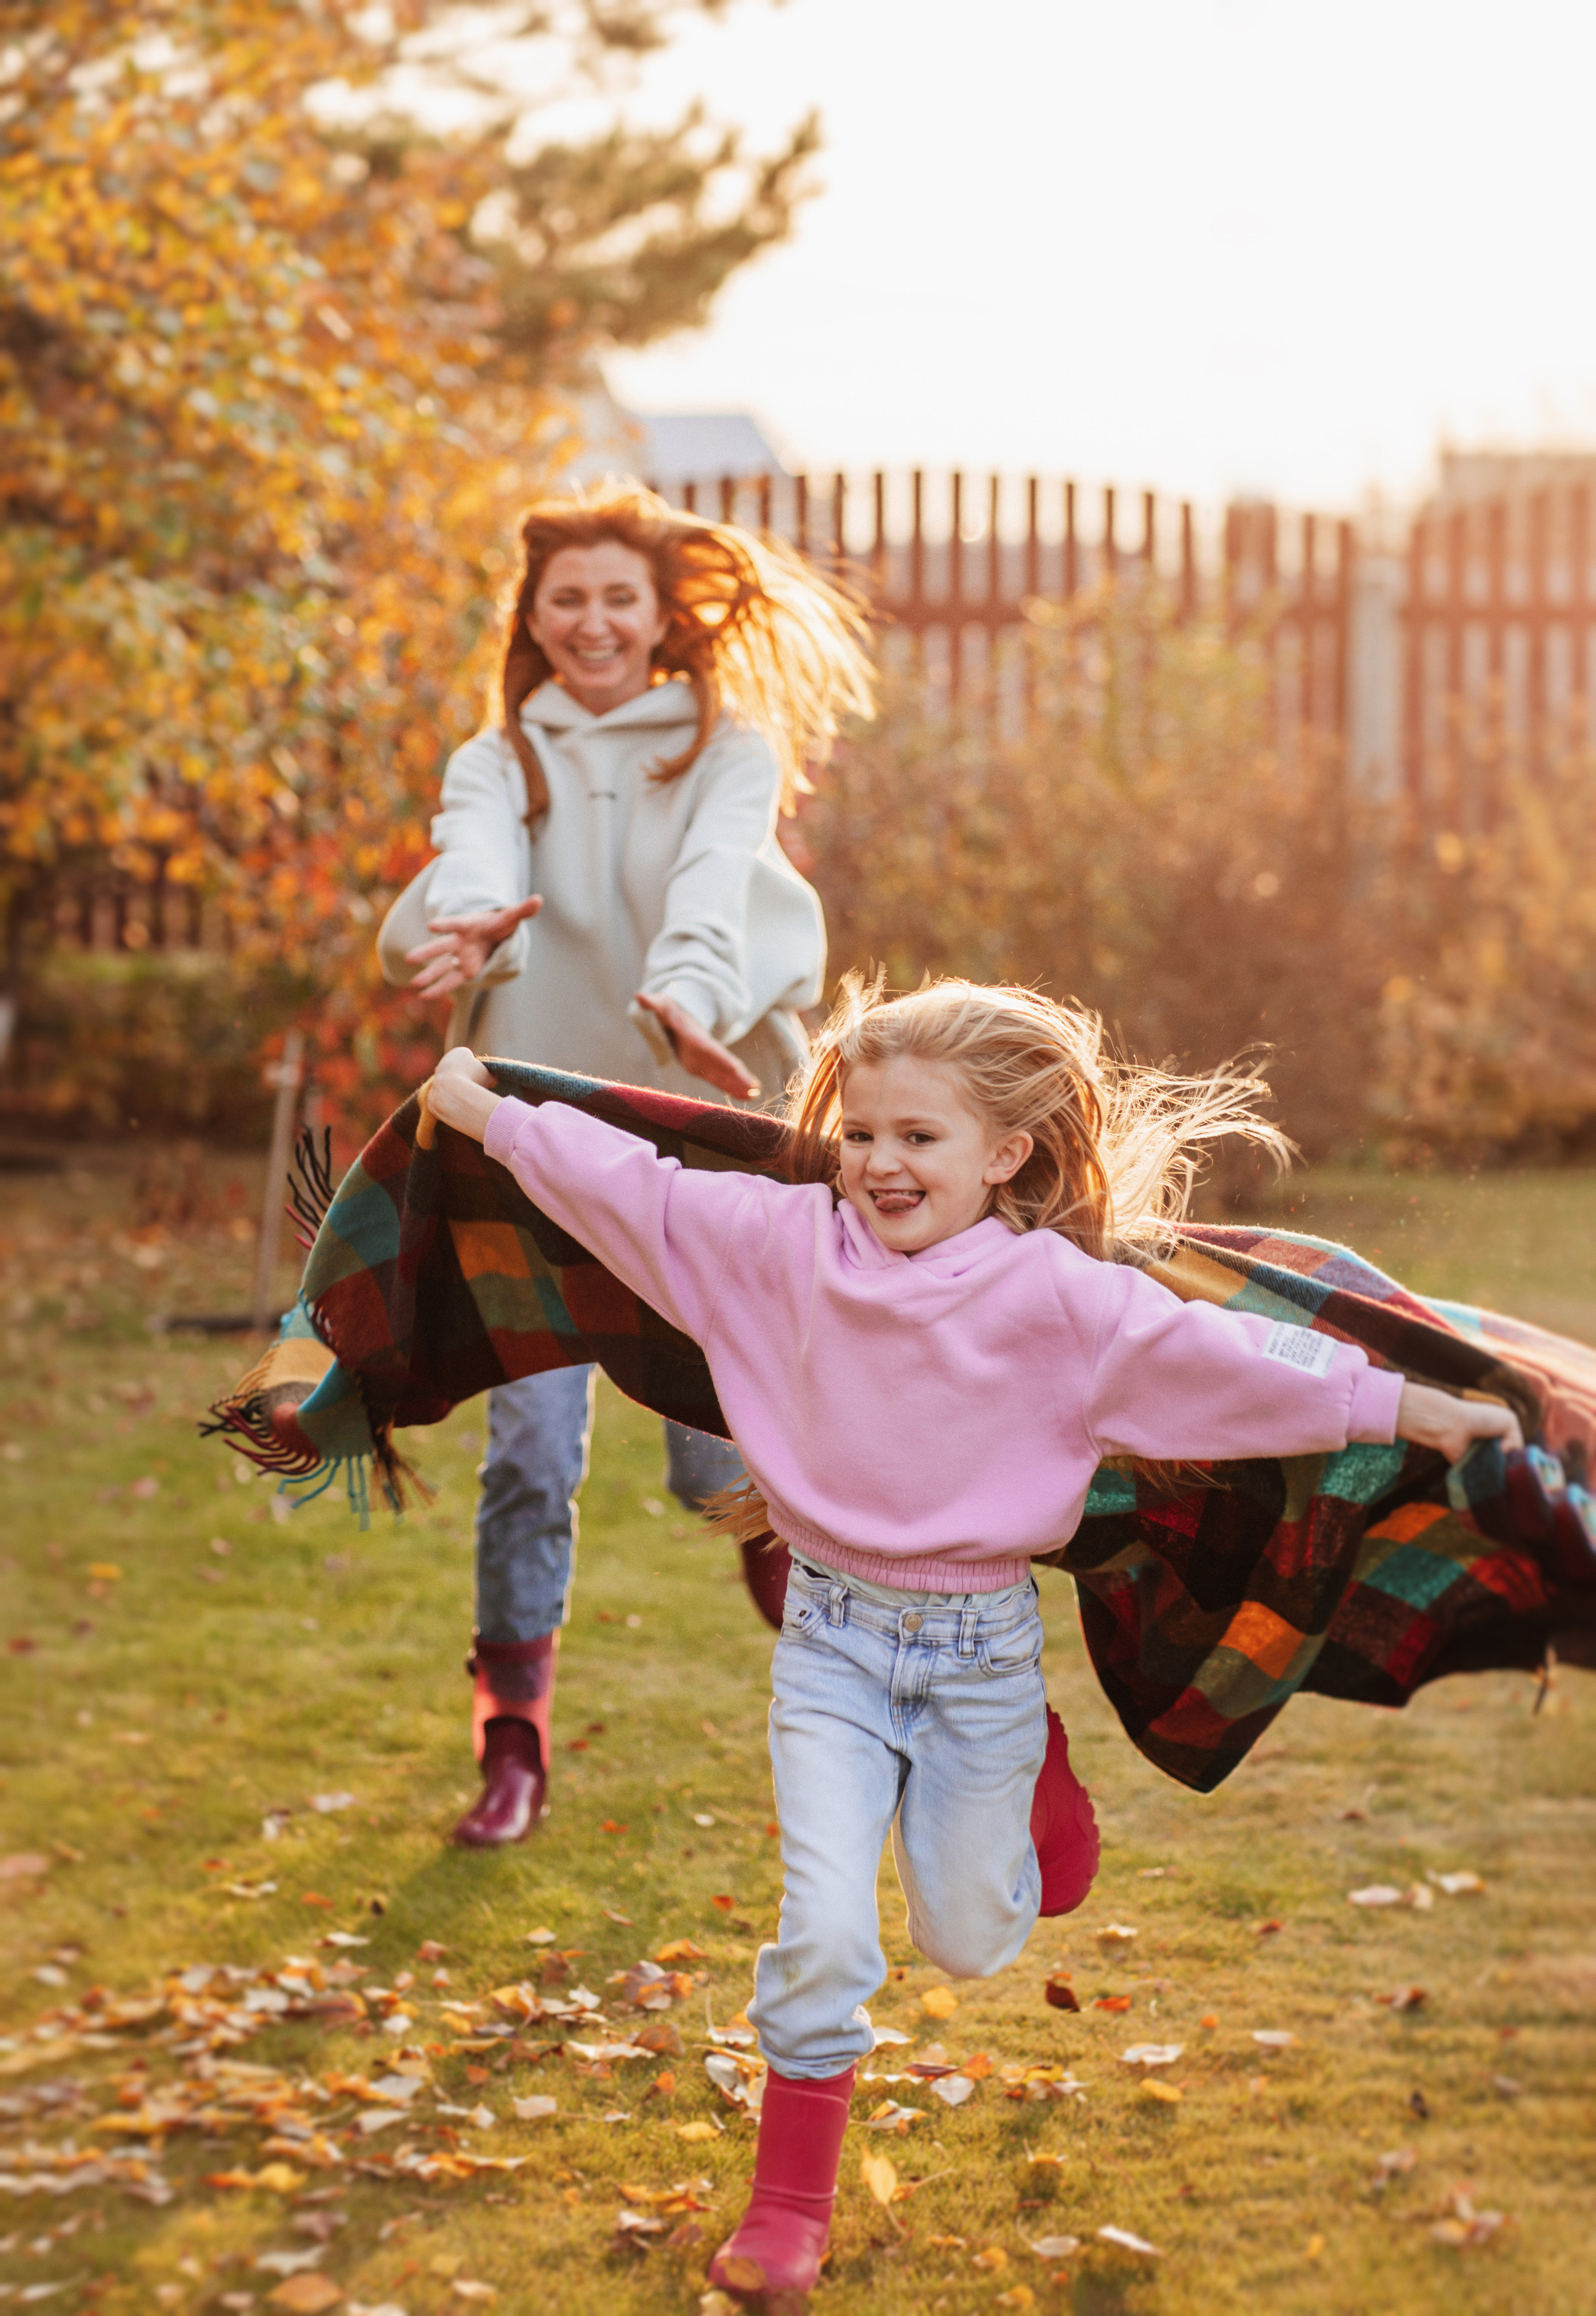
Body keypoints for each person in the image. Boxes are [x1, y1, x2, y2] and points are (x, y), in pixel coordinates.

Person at [423, 974, 1523, 2302]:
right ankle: (785, 2214)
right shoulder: (774, 1247)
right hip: (827, 1651)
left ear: (1005, 1154)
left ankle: (1034, 1785)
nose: (879, 1165)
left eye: (919, 1138)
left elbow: (1223, 1359)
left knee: (967, 1940)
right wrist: (489, 1117)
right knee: (823, 1929)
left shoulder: (1059, 1304)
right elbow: (637, 1191)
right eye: (862, 1132)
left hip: (977, 1660)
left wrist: (1406, 1412)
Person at [377, 483, 873, 1849]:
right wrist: (474, 924)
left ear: (659, 620)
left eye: (617, 598)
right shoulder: (499, 762)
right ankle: (513, 1748)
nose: (591, 622)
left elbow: (719, 875)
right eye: (565, 599)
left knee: (718, 1466)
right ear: (532, 621)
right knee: (530, 1458)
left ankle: (872, 1679)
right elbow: (472, 855)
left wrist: (688, 994)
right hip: (530, 1144)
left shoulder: (726, 752)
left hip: (686, 1136)